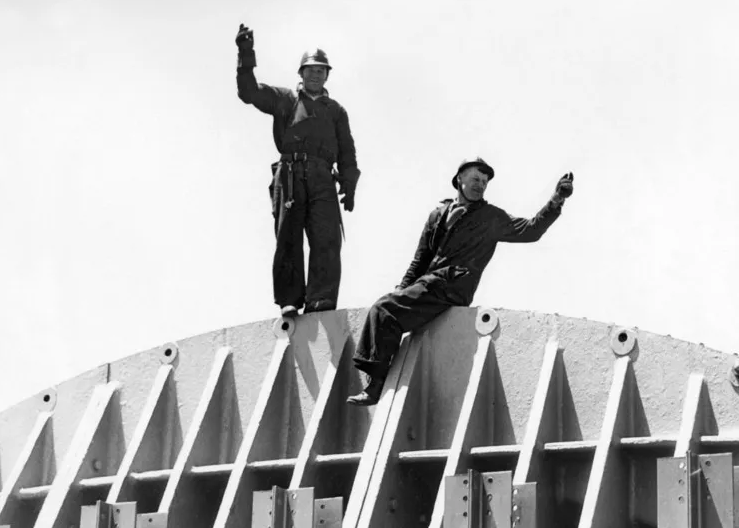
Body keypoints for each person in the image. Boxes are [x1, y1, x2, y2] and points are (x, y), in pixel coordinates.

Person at [346, 158, 574, 406]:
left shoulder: (491, 217)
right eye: (476, 179)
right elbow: (420, 260)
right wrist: (402, 290)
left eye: (485, 182)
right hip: (429, 283)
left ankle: (376, 385)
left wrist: (556, 200)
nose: (481, 185)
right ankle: (377, 378)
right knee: (384, 309)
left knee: (384, 309)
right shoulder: (438, 214)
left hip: (454, 286)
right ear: (460, 180)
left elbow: (531, 230)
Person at [235, 25, 360, 316]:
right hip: (290, 174)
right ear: (301, 73)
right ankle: (290, 299)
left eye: (321, 70)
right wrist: (245, 53)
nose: (316, 74)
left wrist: (349, 184)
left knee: (327, 238)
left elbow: (347, 150)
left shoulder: (336, 111)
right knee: (288, 236)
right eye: (311, 69)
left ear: (327, 75)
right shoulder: (285, 99)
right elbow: (249, 92)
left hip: (323, 177)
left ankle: (320, 301)